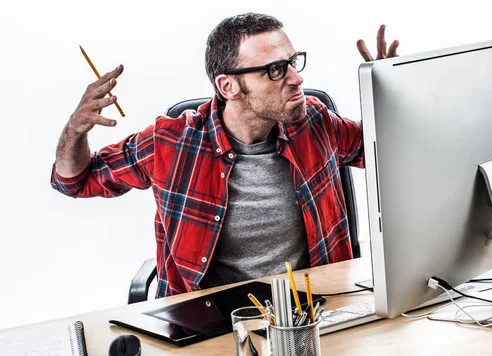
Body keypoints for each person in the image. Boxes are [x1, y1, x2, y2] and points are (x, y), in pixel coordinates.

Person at [51, 13, 399, 298]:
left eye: (292, 62)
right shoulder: (170, 143)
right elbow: (74, 181)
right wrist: (75, 129)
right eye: (276, 70)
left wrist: (390, 91)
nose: (296, 78)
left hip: (315, 308)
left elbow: (389, 151)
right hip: (209, 322)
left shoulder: (315, 122)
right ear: (228, 86)